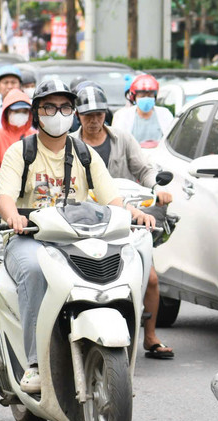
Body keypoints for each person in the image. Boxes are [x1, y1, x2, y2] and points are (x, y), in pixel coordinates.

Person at [0, 78, 156, 394]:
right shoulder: (21, 152)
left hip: (75, 239)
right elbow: (5, 197)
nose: (59, 113)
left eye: (65, 107)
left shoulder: (84, 153)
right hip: (29, 238)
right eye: (50, 107)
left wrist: (135, 214)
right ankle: (34, 364)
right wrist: (13, 216)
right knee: (35, 271)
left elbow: (112, 197)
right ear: (37, 113)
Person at [75, 83, 175, 358]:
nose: (93, 120)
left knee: (150, 278)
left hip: (126, 219)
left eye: (98, 114)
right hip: (84, 222)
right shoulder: (70, 144)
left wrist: (156, 189)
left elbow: (143, 169)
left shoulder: (123, 138)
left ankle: (150, 336)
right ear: (78, 116)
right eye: (87, 115)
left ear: (106, 114)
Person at [0, 89, 33, 179]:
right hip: (4, 184)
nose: (20, 115)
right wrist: (1, 172)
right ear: (7, 112)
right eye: (16, 111)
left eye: (24, 112)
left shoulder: (35, 137)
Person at [112, 73, 173, 147]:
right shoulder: (124, 116)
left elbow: (172, 139)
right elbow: (118, 142)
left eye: (150, 95)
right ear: (134, 97)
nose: (146, 98)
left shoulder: (165, 114)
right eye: (142, 96)